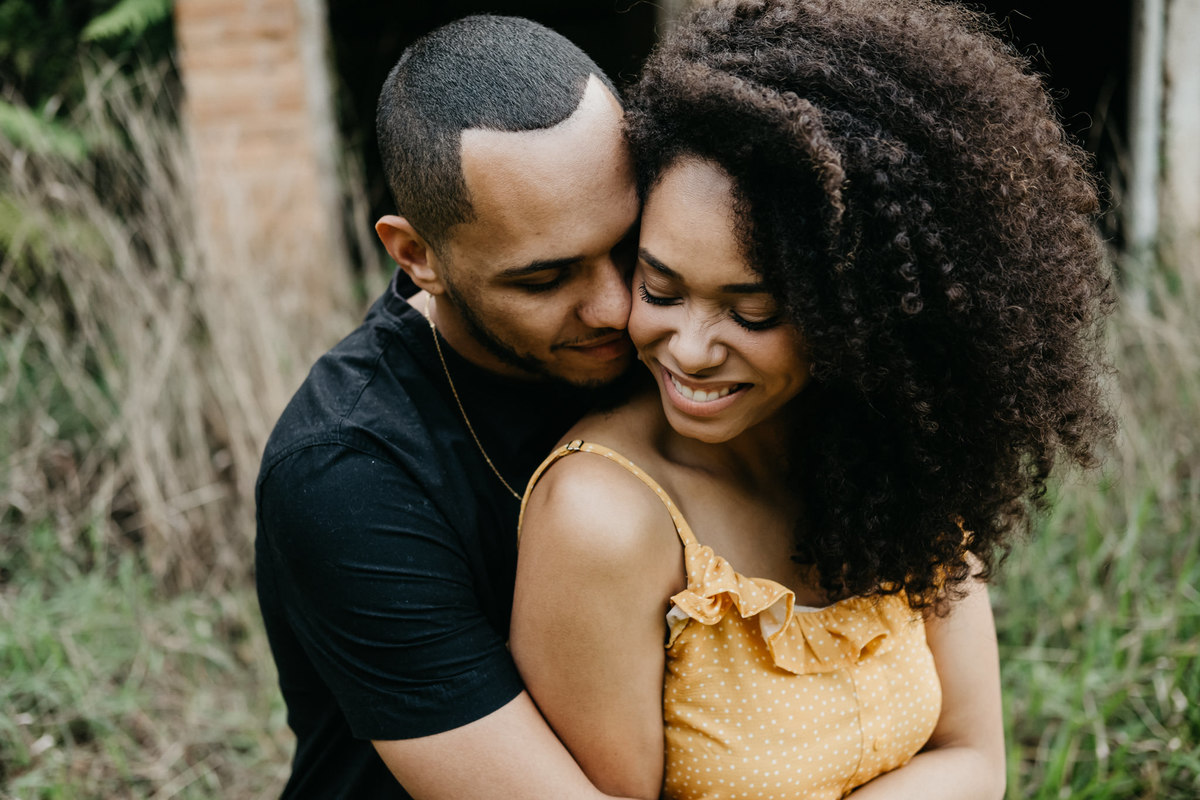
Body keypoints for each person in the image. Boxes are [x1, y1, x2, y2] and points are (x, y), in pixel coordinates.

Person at [510, 1, 1115, 798]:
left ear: (854, 317)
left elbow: (974, 759)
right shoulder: (603, 521)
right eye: (660, 290)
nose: (689, 349)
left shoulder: (891, 456)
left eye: (753, 313)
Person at [255, 15, 645, 799]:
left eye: (629, 247)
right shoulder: (346, 473)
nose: (615, 308)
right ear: (416, 256)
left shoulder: (686, 342)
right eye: (545, 279)